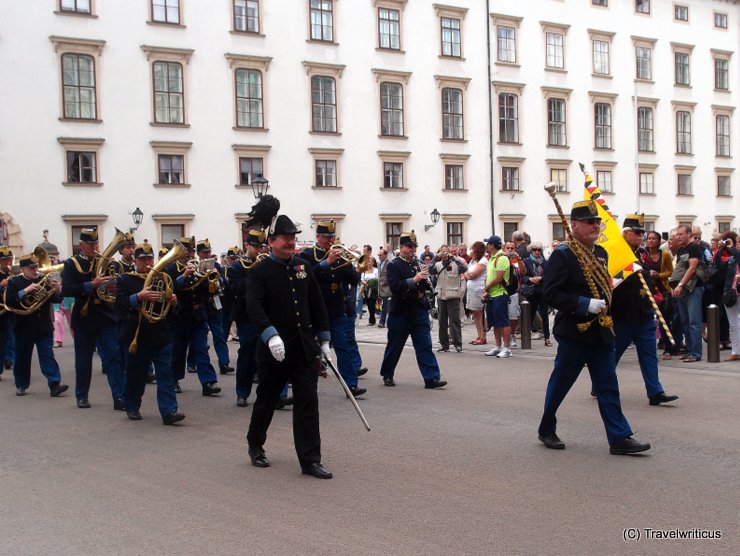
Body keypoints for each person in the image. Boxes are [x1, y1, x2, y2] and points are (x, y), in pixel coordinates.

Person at [537, 200, 650, 455]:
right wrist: (582, 303)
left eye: (597, 222)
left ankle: (619, 437)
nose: (595, 226)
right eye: (590, 222)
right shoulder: (563, 254)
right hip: (575, 331)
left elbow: (604, 287)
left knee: (608, 385)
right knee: (561, 383)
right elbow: (551, 293)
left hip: (601, 330)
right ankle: (547, 427)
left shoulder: (601, 253)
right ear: (574, 225)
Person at [245, 214, 334, 479]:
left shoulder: (302, 266)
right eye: (285, 238)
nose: (290, 243)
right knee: (267, 399)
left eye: (293, 238)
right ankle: (255, 443)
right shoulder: (259, 271)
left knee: (308, 401)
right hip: (274, 349)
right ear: (271, 241)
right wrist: (270, 335)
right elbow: (254, 307)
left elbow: (316, 303)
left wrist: (326, 340)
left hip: (303, 348)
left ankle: (310, 460)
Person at [613, 215, 679, 406]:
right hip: (624, 313)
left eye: (643, 232)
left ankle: (655, 391)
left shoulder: (641, 254)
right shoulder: (616, 253)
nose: (641, 236)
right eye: (638, 232)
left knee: (649, 354)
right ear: (626, 233)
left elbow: (648, 276)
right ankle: (602, 384)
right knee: (614, 354)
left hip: (644, 312)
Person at [115, 241, 184, 424]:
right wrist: (138, 297)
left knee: (165, 374)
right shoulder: (125, 279)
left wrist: (174, 301)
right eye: (142, 259)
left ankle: (169, 411)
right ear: (135, 261)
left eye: (149, 258)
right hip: (136, 335)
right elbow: (119, 305)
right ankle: (131, 405)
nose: (147, 263)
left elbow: (171, 309)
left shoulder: (162, 278)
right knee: (135, 374)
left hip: (161, 334)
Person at [61, 226, 126, 410]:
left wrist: (113, 287)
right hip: (84, 316)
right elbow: (67, 289)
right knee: (83, 359)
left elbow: (117, 285)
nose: (95, 247)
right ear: (81, 245)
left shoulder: (108, 262)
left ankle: (119, 397)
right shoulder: (71, 264)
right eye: (90, 244)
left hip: (106, 315)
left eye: (96, 243)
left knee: (113, 356)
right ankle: (82, 395)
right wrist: (90, 285)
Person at [300, 221, 366, 398]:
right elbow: (306, 276)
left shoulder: (341, 257)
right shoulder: (308, 255)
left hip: (336, 308)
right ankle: (304, 383)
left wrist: (350, 265)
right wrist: (327, 262)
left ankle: (350, 385)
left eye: (332, 237)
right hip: (315, 308)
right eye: (326, 237)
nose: (330, 240)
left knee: (343, 346)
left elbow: (353, 280)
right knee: (308, 349)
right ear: (318, 237)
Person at [379, 231, 447, 389]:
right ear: (401, 247)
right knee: (395, 346)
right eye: (409, 246)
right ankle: (387, 374)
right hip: (401, 311)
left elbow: (423, 286)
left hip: (418, 309)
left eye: (414, 246)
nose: (413, 249)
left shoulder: (417, 263)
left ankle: (431, 378)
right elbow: (395, 287)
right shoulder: (394, 265)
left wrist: (425, 279)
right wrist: (414, 280)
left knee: (424, 345)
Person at [4, 253, 69, 398]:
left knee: (47, 355)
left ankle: (54, 384)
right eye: (31, 268)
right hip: (23, 327)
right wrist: (25, 291)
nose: (35, 271)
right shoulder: (14, 282)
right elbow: (9, 302)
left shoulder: (43, 280)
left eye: (36, 267)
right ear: (23, 269)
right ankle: (21, 385)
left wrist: (58, 289)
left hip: (43, 326)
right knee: (22, 357)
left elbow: (56, 299)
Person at [166, 237, 222, 396]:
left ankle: (208, 382)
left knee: (201, 349)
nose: (189, 255)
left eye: (190, 251)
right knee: (178, 350)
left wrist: (213, 279)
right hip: (180, 316)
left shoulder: (200, 267)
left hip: (198, 315)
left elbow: (210, 291)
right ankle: (174, 380)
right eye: (186, 251)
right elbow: (170, 288)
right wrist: (183, 276)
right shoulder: (170, 268)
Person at [228, 231, 264, 407]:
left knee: (270, 354)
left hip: (266, 314)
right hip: (246, 316)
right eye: (256, 247)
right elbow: (237, 289)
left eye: (261, 246)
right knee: (247, 354)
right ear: (247, 246)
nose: (259, 250)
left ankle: (275, 394)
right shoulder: (237, 267)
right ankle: (242, 393)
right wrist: (256, 271)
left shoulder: (267, 263)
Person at [188, 239, 234, 375]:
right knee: (199, 337)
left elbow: (224, 283)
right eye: (204, 252)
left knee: (219, 334)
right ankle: (191, 362)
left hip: (215, 302)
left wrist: (218, 279)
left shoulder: (217, 265)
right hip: (202, 304)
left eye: (209, 251)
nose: (207, 254)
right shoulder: (194, 266)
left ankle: (224, 363)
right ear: (198, 253)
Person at [670, 224, 704, 362]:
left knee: (694, 321)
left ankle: (696, 353)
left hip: (693, 288)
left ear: (689, 234)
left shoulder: (694, 247)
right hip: (682, 290)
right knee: (685, 321)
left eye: (681, 234)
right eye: (677, 234)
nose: (679, 237)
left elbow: (692, 268)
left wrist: (680, 285)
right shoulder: (681, 249)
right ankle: (690, 350)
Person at [643, 231, 676, 358]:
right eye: (649, 238)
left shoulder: (665, 254)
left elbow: (671, 271)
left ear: (658, 241)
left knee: (665, 320)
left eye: (653, 239)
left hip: (662, 290)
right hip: (646, 289)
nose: (651, 241)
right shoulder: (642, 254)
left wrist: (660, 275)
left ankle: (668, 348)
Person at [430, 244, 468, 352]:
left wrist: (454, 258)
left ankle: (457, 344)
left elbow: (465, 268)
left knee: (454, 321)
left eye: (447, 252)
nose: (445, 254)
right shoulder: (437, 265)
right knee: (442, 322)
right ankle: (444, 344)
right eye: (443, 252)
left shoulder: (456, 264)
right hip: (441, 296)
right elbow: (430, 269)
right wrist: (435, 257)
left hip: (453, 295)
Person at [483, 236, 513, 358]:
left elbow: (499, 278)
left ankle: (507, 348)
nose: (486, 246)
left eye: (488, 244)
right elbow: (489, 276)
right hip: (492, 294)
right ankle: (498, 346)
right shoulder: (491, 258)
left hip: (500, 294)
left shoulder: (502, 258)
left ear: (492, 245)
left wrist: (486, 288)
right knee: (495, 321)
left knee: (504, 321)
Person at [522, 242, 552, 346]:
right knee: (529, 315)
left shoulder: (545, 262)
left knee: (545, 315)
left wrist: (541, 278)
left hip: (542, 291)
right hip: (531, 291)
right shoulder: (527, 261)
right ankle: (525, 338)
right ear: (531, 251)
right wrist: (530, 279)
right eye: (535, 250)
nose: (537, 252)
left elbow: (549, 275)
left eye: (539, 250)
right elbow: (523, 276)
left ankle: (547, 338)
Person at [462, 241, 488, 345]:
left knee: (480, 313)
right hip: (472, 290)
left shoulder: (483, 261)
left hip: (479, 289)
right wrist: (468, 274)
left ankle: (483, 336)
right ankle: (479, 335)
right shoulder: (473, 261)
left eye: (473, 250)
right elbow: (467, 272)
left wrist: (467, 274)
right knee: (475, 313)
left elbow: (473, 275)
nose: (472, 252)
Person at [722, 236, 740, 361]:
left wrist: (732, 248)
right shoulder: (732, 259)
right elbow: (717, 266)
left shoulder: (736, 256)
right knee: (733, 324)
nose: (737, 245)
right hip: (731, 293)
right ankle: (736, 351)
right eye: (737, 242)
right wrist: (719, 250)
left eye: (739, 243)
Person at [0, 246, 14, 380]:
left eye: (9, 260)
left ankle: (9, 359)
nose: (8, 263)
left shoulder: (10, 273)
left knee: (10, 336)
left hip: (9, 310)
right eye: (5, 261)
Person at [360, 255, 379, 326]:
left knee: (372, 304)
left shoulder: (376, 270)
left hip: (373, 289)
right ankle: (372, 318)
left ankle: (371, 320)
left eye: (370, 262)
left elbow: (377, 278)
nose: (369, 263)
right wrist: (364, 282)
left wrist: (372, 282)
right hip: (366, 289)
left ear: (373, 263)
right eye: (368, 262)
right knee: (368, 304)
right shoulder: (364, 270)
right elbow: (361, 279)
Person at [377, 248, 391, 328]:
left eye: (380, 255)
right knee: (381, 305)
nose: (379, 256)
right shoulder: (379, 264)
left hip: (387, 288)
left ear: (386, 255)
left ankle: (382, 322)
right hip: (380, 288)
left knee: (385, 306)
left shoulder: (389, 264)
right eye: (378, 255)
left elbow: (390, 276)